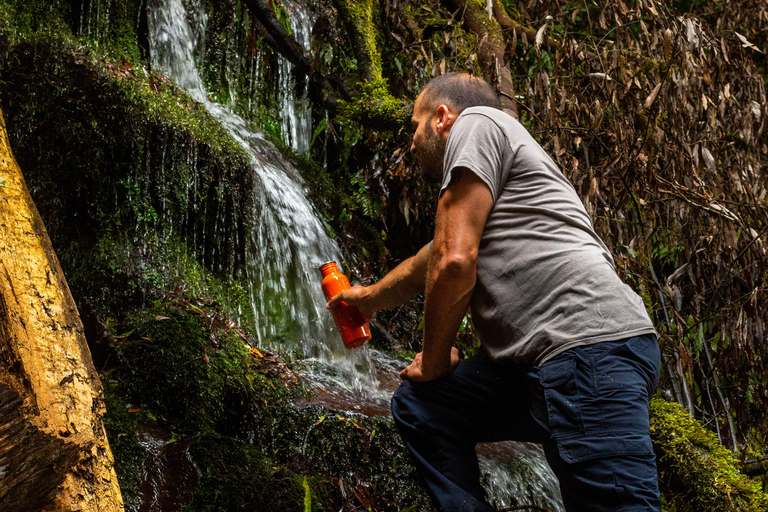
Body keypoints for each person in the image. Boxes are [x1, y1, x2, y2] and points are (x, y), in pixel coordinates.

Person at [327, 72, 661, 512]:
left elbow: (453, 262)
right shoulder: (498, 189)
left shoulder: (477, 123)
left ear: (442, 117)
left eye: (415, 126)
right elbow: (427, 263)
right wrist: (366, 300)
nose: (411, 143)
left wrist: (432, 359)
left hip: (587, 351)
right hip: (544, 367)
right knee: (425, 406)